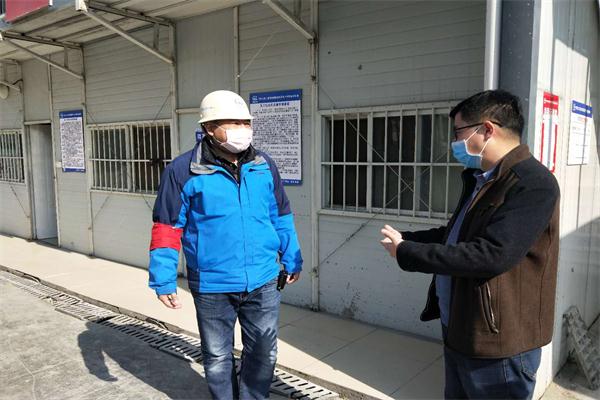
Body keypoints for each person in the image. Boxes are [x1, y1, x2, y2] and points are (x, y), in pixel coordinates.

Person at [380, 90, 560, 399]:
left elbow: (492, 254)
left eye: (458, 132)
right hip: (461, 329)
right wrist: (409, 239)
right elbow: (456, 234)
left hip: (498, 344)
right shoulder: (482, 179)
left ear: (487, 129)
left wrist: (408, 253)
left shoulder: (532, 183)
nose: (454, 142)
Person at [148, 90, 303, 399]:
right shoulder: (183, 170)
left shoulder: (263, 165)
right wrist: (163, 278)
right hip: (212, 284)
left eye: (245, 122)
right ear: (209, 128)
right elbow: (167, 227)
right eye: (233, 123)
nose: (242, 129)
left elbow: (281, 214)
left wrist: (292, 257)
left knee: (263, 353)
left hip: (263, 279)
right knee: (218, 356)